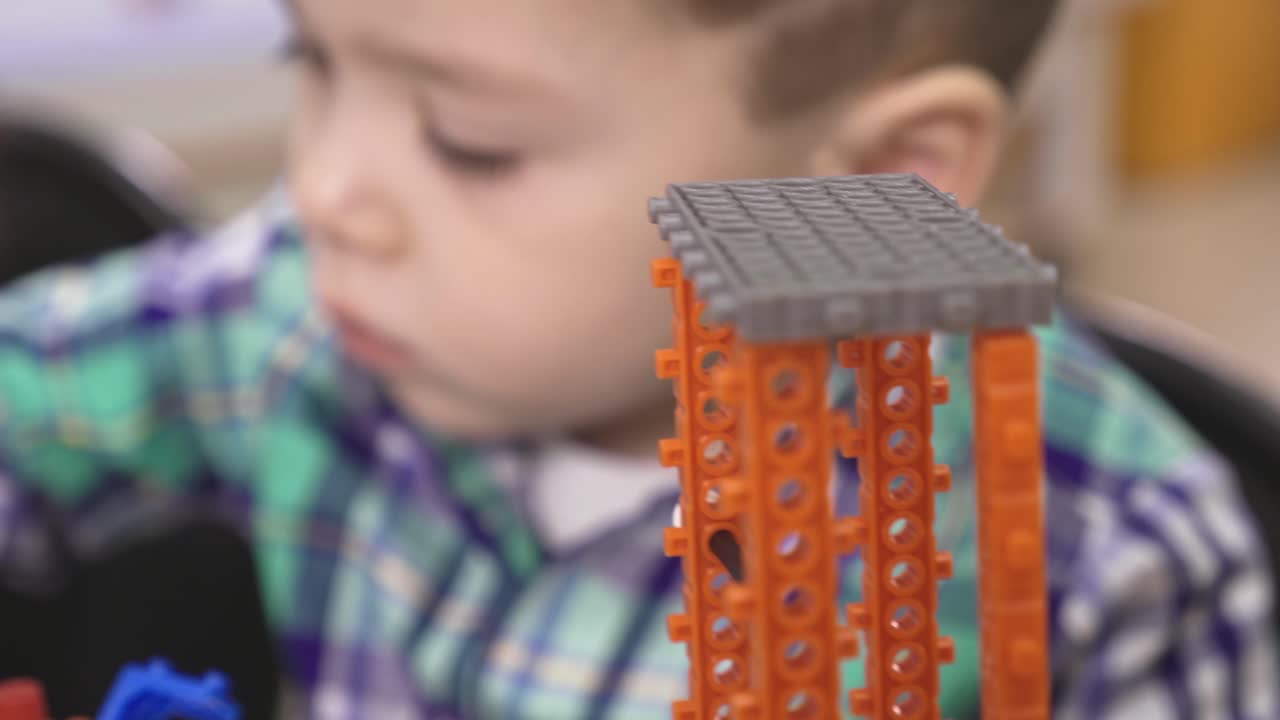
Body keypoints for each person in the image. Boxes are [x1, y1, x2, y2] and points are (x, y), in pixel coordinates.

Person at [0, 0, 1274, 717]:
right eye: (313, 62)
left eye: (468, 141)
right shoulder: (283, 308)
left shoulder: (1102, 563)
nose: (326, 188)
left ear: (874, 187)